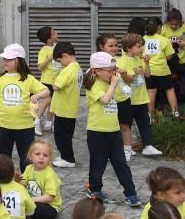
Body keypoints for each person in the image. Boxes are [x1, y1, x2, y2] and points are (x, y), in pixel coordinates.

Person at [82, 51, 141, 207]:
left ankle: (131, 193)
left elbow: (125, 91)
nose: (112, 74)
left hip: (113, 130)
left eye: (113, 70)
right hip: (97, 131)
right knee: (98, 163)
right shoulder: (93, 84)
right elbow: (105, 100)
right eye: (109, 71)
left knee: (121, 163)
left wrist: (119, 81)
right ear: (96, 71)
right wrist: (114, 84)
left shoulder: (110, 81)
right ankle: (94, 189)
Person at [0, 43, 47, 172]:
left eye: (8, 59)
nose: (4, 62)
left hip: (25, 127)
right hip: (3, 125)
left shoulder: (28, 79)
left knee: (26, 157)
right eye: (4, 59)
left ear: (18, 61)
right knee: (3, 158)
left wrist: (37, 95)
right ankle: (4, 181)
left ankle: (27, 180)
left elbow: (47, 91)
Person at [118, 33, 161, 157]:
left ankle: (148, 145)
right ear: (129, 47)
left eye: (142, 46)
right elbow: (126, 79)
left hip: (141, 97)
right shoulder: (123, 60)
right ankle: (126, 147)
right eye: (138, 46)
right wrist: (135, 73)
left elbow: (147, 75)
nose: (142, 49)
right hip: (129, 99)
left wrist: (147, 63)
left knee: (144, 122)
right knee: (126, 124)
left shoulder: (139, 59)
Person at [49, 41, 82, 168]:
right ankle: (65, 156)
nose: (60, 63)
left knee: (61, 136)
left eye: (59, 60)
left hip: (64, 109)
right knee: (66, 135)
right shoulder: (77, 68)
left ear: (65, 56)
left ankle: (68, 159)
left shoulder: (68, 70)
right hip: (70, 108)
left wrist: (54, 81)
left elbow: (56, 87)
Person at [144, 16, 178, 117]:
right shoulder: (164, 40)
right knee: (170, 90)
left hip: (148, 70)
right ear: (159, 27)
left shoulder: (142, 39)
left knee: (151, 92)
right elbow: (169, 57)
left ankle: (151, 117)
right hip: (162, 70)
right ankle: (175, 113)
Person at [21, 140, 61, 219]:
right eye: (37, 154)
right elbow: (23, 184)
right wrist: (17, 181)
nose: (41, 157)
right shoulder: (29, 168)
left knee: (36, 207)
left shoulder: (49, 174)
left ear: (50, 159)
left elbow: (50, 197)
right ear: (30, 156)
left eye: (45, 155)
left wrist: (31, 200)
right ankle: (22, 214)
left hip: (49, 206)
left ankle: (24, 217)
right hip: (32, 201)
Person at [161, 8, 185, 73]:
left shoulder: (184, 28)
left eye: (176, 24)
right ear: (168, 22)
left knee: (183, 76)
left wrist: (184, 43)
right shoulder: (164, 28)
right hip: (168, 59)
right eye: (171, 24)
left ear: (180, 22)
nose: (174, 26)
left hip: (182, 59)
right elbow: (159, 40)